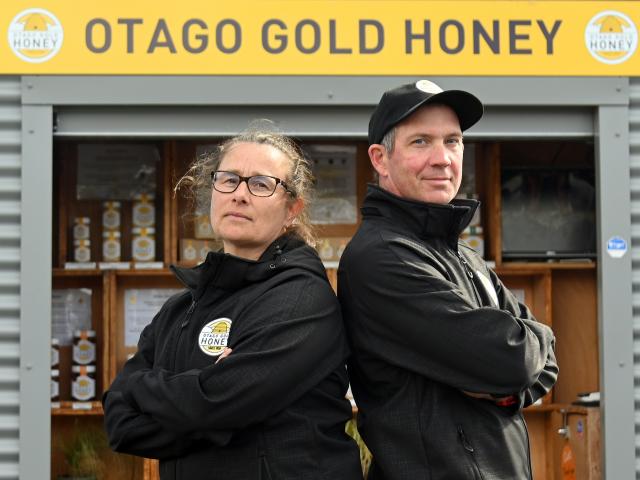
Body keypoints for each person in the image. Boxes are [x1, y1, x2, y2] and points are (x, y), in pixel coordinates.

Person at [103, 128, 363, 480]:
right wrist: (207, 403)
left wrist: (139, 387)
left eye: (261, 184)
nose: (240, 194)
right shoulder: (183, 307)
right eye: (228, 180)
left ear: (292, 209)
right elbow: (120, 426)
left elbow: (212, 406)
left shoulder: (302, 300)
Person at [338, 80, 558, 480]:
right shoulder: (383, 256)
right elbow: (511, 357)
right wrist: (514, 360)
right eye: (421, 141)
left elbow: (544, 364)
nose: (442, 158)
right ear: (380, 159)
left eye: (452, 141)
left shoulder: (462, 253)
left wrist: (506, 386)